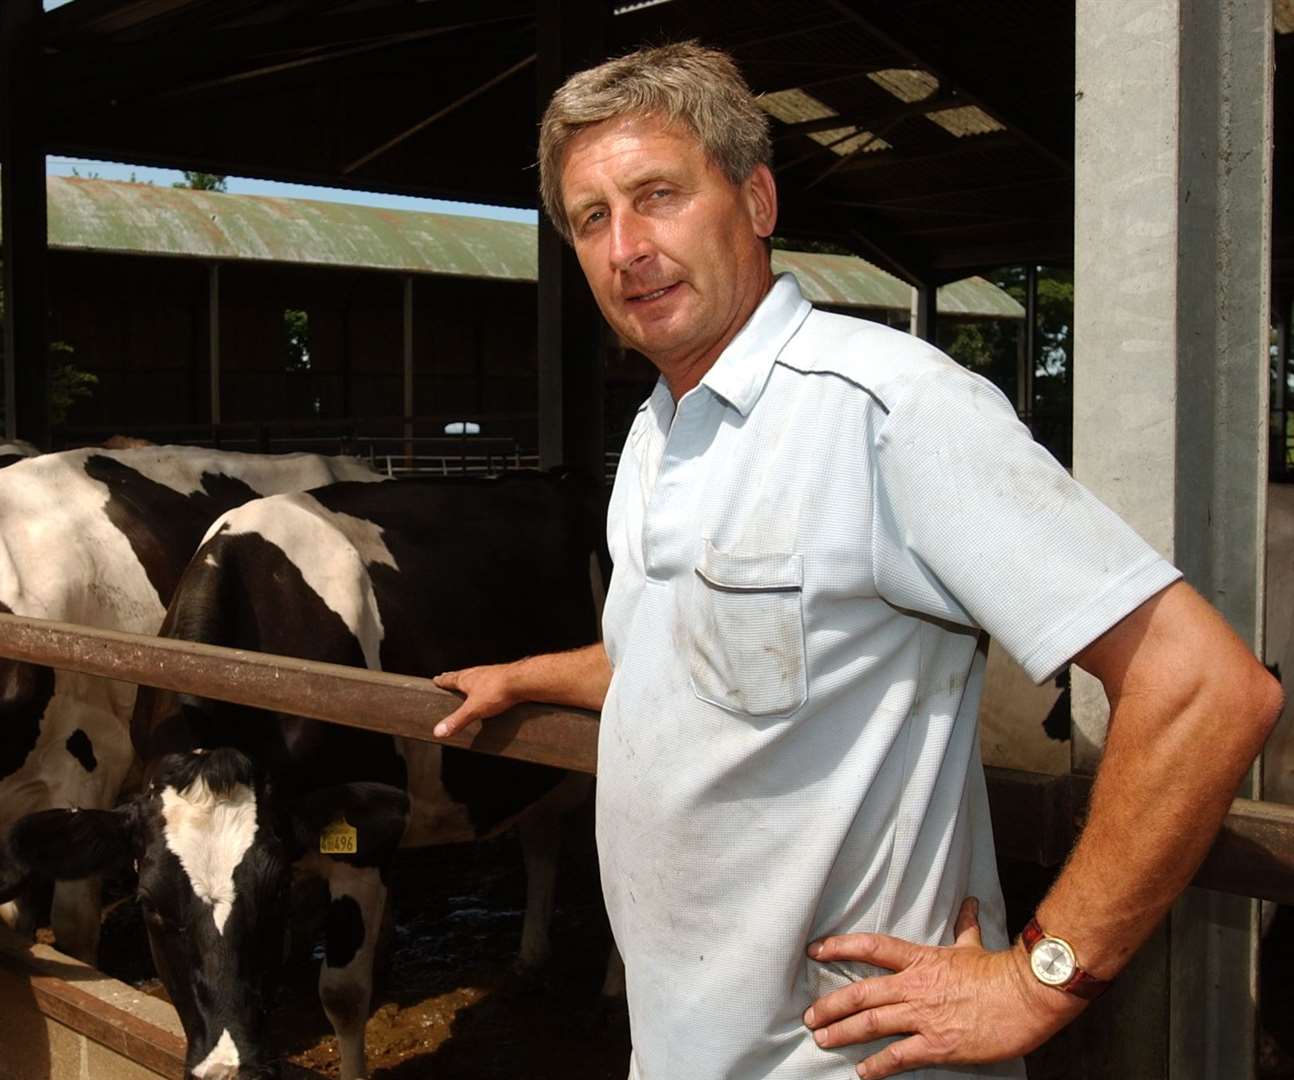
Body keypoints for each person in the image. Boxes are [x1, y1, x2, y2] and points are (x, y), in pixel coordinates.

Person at [431, 41, 1281, 1080]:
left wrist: (1038, 977)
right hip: (681, 1052)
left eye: (656, 195)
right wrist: (525, 678)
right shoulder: (660, 431)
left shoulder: (887, 410)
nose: (624, 249)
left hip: (849, 1063)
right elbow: (694, 655)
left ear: (753, 200)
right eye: (592, 217)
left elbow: (1202, 688)